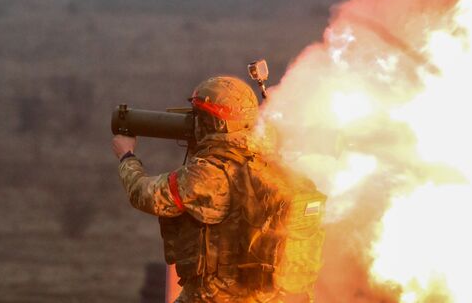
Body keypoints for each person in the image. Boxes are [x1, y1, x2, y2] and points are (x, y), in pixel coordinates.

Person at [112, 76, 323, 302]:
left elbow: (147, 195)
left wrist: (127, 156)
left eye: (198, 116)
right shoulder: (276, 165)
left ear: (213, 123)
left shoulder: (209, 174)